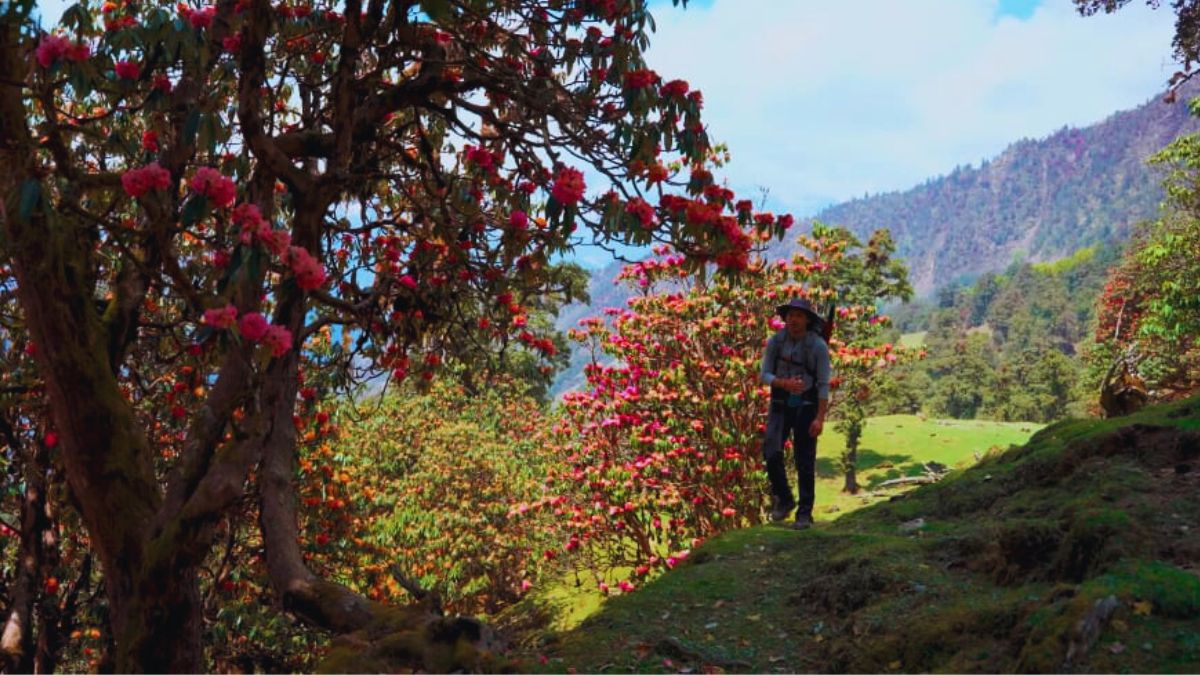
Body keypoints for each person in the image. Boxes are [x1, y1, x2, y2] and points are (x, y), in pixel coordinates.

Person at [759, 298, 832, 530]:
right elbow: (764, 375)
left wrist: (819, 418)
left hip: (807, 405)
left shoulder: (818, 346)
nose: (793, 319)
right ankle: (785, 498)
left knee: (805, 460)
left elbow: (823, 384)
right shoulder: (776, 342)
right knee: (771, 451)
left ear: (808, 320)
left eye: (799, 315)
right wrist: (782, 382)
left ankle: (805, 513)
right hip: (780, 402)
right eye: (790, 314)